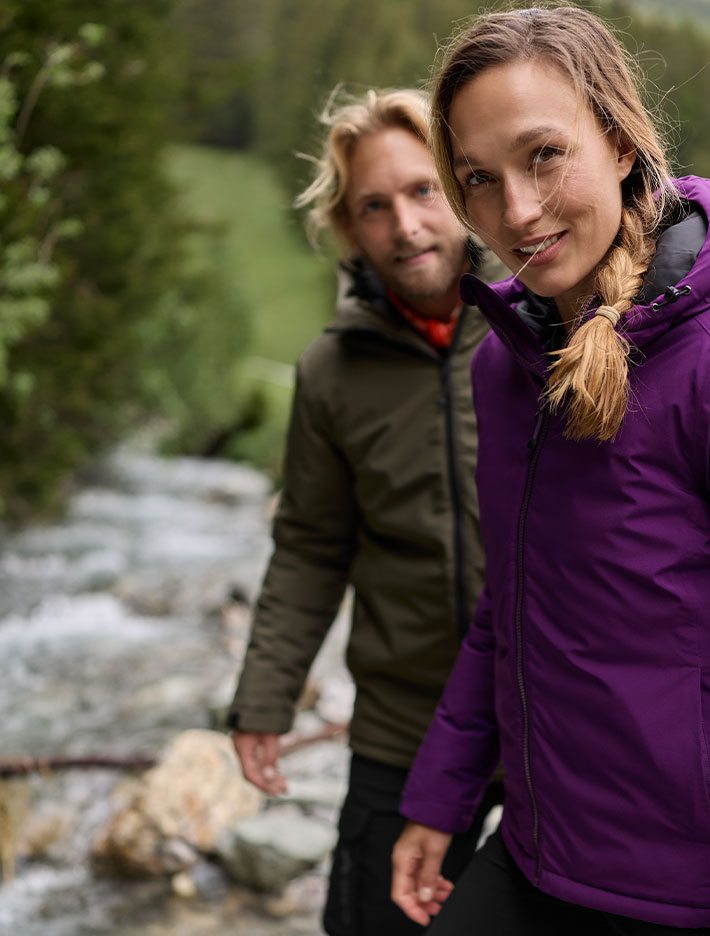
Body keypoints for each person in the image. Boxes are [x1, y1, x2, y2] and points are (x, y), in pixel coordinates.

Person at [390, 7, 710, 935]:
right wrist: (441, 798)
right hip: (535, 855)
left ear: (621, 143)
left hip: (693, 899)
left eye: (544, 155)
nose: (517, 212)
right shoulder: (506, 364)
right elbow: (511, 606)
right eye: (479, 179)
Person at [226, 87, 504, 936]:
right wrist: (265, 695)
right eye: (374, 206)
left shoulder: (543, 328)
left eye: (423, 191)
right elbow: (312, 545)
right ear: (348, 228)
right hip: (403, 730)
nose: (406, 226)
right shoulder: (330, 371)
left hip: (556, 722)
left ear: (463, 189)